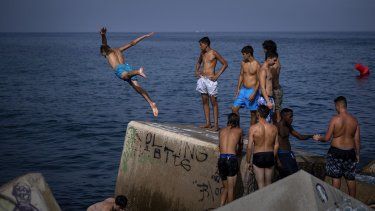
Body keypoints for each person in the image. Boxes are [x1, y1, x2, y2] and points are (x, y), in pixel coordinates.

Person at [100, 27, 158, 117]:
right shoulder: (118, 49)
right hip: (127, 67)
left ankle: (138, 71)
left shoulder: (107, 52)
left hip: (120, 69)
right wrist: (145, 36)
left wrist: (103, 35)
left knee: (125, 76)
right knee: (137, 88)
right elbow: (132, 43)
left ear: (104, 51)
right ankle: (151, 103)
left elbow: (104, 44)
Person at [313, 96, 360, 198]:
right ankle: (353, 203)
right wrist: (357, 154)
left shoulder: (335, 119)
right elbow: (357, 140)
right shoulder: (354, 120)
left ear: (338, 106)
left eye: (335, 106)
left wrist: (318, 138)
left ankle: (335, 202)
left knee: (336, 178)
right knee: (350, 178)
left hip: (335, 153)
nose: (335, 108)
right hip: (350, 152)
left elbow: (327, 138)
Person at [195, 37, 228, 131]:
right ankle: (208, 123)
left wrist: (217, 75)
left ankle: (216, 125)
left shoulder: (214, 53)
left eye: (201, 44)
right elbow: (198, 62)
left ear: (206, 44)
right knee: (205, 101)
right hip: (202, 79)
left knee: (214, 102)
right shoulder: (202, 53)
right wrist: (196, 71)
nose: (200, 46)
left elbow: (225, 64)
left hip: (211, 80)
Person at [246, 105, 279, 189]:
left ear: (258, 114)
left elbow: (249, 147)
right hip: (270, 155)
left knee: (260, 185)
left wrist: (248, 161)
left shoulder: (253, 128)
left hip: (258, 156)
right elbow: (276, 145)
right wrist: (273, 156)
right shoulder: (274, 128)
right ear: (267, 114)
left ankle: (262, 201)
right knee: (269, 184)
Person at [276, 108, 314, 178]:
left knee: (295, 174)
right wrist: (277, 160)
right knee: (287, 176)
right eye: (290, 117)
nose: (292, 119)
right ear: (284, 116)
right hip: (281, 154)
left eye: (292, 116)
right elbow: (273, 144)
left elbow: (299, 136)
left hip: (289, 153)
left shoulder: (288, 126)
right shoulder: (277, 127)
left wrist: (312, 136)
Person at [218, 113, 243, 206]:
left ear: (228, 120)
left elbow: (220, 146)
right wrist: (239, 153)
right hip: (231, 159)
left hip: (222, 159)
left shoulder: (221, 130)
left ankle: (221, 207)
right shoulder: (239, 131)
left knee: (225, 187)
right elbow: (240, 146)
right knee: (231, 188)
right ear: (237, 121)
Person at [232, 45, 261, 126]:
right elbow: (241, 75)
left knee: (253, 113)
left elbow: (259, 80)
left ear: (249, 54)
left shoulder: (257, 64)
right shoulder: (243, 62)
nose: (243, 56)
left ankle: (251, 133)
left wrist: (254, 93)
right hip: (243, 90)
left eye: (244, 54)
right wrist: (238, 89)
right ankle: (237, 129)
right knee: (234, 109)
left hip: (252, 90)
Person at [262, 40, 283, 123]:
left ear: (268, 49)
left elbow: (271, 77)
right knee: (271, 114)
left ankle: (277, 133)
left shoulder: (274, 62)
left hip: (275, 90)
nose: (263, 50)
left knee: (277, 115)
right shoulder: (273, 61)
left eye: (264, 48)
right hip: (272, 90)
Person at [258, 51, 278, 123]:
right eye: (274, 60)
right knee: (264, 122)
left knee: (269, 121)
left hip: (269, 98)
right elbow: (262, 87)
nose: (275, 62)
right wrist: (268, 101)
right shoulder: (263, 70)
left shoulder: (269, 69)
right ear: (269, 58)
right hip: (265, 99)